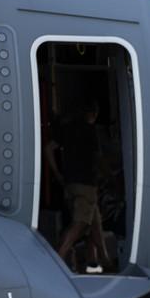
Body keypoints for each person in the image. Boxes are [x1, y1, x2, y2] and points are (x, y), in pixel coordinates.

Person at [49, 98, 112, 271]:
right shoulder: (90, 131)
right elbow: (98, 158)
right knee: (81, 224)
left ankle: (101, 261)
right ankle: (58, 260)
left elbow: (49, 149)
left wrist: (57, 173)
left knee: (94, 222)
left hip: (70, 185)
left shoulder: (67, 129)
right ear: (94, 114)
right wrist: (108, 175)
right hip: (87, 184)